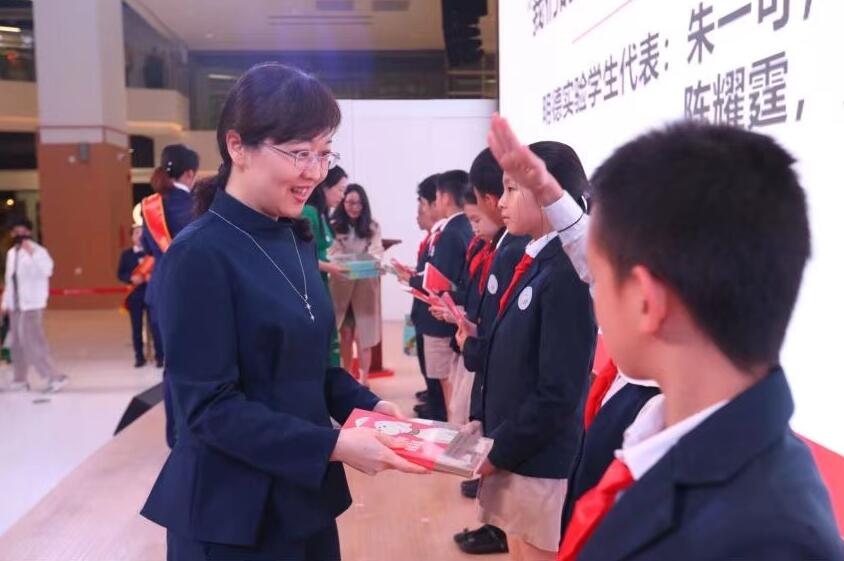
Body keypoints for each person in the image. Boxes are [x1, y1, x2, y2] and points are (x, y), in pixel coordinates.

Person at [486, 116, 843, 560]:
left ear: (646, 302)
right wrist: (552, 197)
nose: (592, 291)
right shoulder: (694, 431)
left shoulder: (767, 540)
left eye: (598, 279)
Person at [140, 62, 426, 561]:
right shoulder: (198, 255)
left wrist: (369, 407)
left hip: (302, 500)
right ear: (237, 146)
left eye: (324, 153)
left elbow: (310, 365)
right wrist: (333, 446)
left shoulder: (295, 237)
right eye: (299, 153)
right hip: (232, 514)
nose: (315, 172)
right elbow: (208, 408)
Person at [467, 142, 596, 561]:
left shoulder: (568, 273)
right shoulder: (531, 258)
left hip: (540, 458)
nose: (500, 203)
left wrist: (502, 448)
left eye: (511, 189)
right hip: (515, 448)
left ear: (547, 194)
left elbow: (559, 390)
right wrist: (484, 423)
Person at [142, 143, 199, 449]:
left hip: (159, 291)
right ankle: (192, 432)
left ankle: (175, 435)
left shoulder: (151, 205)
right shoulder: (195, 204)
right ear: (189, 173)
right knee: (199, 364)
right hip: (191, 292)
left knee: (171, 366)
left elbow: (150, 248)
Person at [407, 170, 473, 419]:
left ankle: (449, 429)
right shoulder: (457, 228)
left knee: (448, 386)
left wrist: (414, 279)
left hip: (442, 320)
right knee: (448, 383)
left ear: (444, 198)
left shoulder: (452, 232)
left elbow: (440, 279)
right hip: (444, 317)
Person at [1, 217, 67, 393]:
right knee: (16, 343)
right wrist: (5, 302)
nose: (19, 234)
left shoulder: (39, 251)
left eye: (22, 231)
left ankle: (54, 377)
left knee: (32, 342)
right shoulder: (11, 253)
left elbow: (48, 270)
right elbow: (10, 280)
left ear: (29, 232)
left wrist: (32, 254)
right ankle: (20, 379)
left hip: (32, 304)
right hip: (15, 305)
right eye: (15, 231)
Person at [328, 183, 384, 387]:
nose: (354, 207)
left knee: (364, 335)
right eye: (350, 202)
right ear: (343, 203)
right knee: (345, 333)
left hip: (365, 287)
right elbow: (331, 253)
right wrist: (356, 259)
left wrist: (356, 260)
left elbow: (377, 252)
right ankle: (347, 376)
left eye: (359, 203)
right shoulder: (333, 225)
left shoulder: (372, 226)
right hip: (341, 287)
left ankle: (365, 380)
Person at [302, 165, 349, 367]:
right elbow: (301, 256)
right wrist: (332, 268)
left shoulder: (322, 214)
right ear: (324, 187)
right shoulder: (308, 212)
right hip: (312, 286)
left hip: (322, 284)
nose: (342, 196)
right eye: (340, 190)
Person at [117, 225, 161, 368]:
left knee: (155, 326)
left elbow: (162, 270)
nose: (140, 236)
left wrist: (152, 277)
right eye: (136, 233)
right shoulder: (126, 255)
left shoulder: (153, 254)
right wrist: (131, 278)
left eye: (142, 233)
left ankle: (160, 357)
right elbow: (120, 274)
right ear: (131, 237)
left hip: (152, 294)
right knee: (136, 328)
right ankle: (139, 357)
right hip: (135, 296)